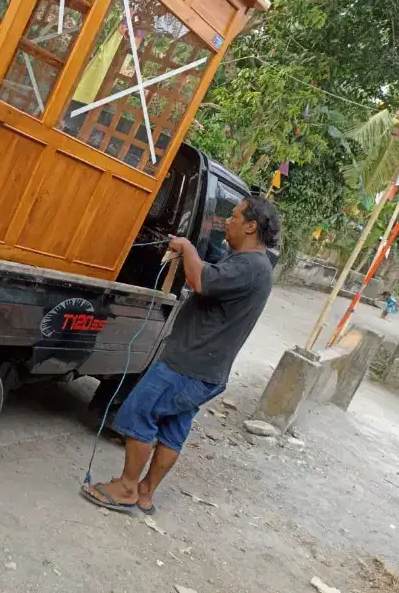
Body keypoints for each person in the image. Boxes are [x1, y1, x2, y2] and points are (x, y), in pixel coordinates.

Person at [82, 195, 280, 515]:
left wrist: (187, 247)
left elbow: (200, 280)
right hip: (206, 370)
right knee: (173, 430)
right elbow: (211, 276)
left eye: (234, 216)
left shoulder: (250, 266)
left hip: (187, 365)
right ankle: (145, 494)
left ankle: (126, 488)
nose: (226, 221)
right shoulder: (253, 265)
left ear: (251, 226)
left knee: (138, 413)